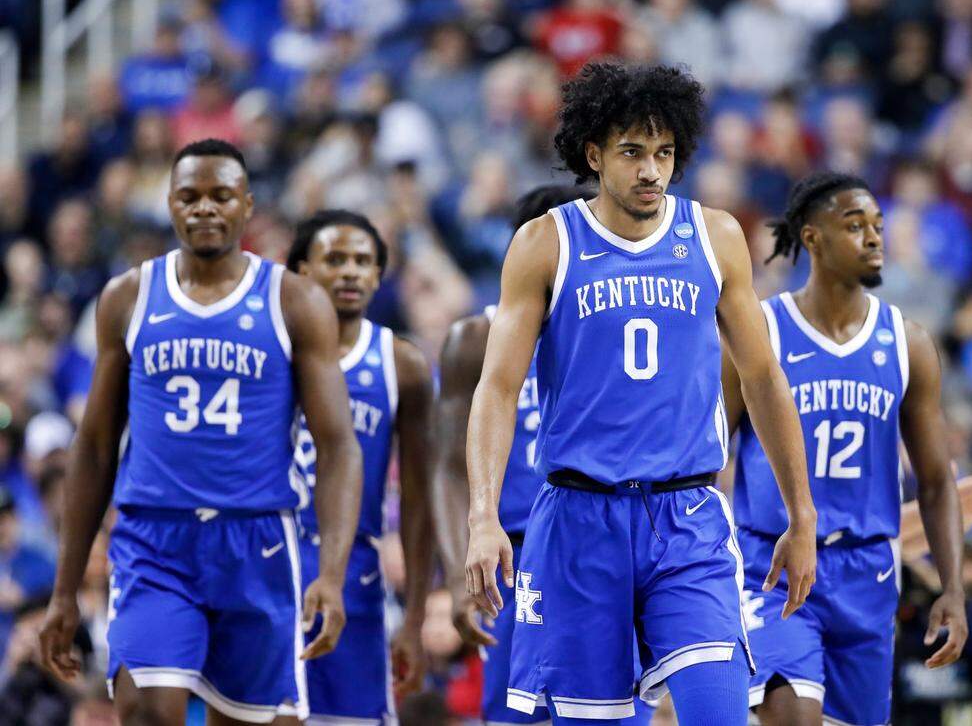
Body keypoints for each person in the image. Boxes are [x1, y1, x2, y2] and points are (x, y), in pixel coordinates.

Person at [465, 62, 817, 725]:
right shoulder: (545, 243)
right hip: (578, 518)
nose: (651, 169)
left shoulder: (715, 236)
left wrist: (802, 515)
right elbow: (498, 388)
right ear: (594, 154)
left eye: (664, 152)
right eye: (632, 152)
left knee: (719, 712)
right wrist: (484, 515)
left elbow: (764, 379)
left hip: (685, 517)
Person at [38, 139, 364, 724]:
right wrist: (65, 588)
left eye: (221, 196)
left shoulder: (294, 300)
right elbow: (92, 447)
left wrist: (332, 574)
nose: (205, 208)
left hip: (256, 539)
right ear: (169, 204)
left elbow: (339, 447)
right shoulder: (127, 297)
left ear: (247, 205)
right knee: (147, 710)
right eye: (189, 196)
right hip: (154, 540)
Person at [721, 171, 967, 726]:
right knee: (793, 717)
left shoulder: (908, 342)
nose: (875, 237)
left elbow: (934, 480)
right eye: (855, 226)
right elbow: (709, 456)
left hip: (868, 571)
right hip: (773, 563)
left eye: (878, 226)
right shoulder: (760, 331)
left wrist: (952, 586)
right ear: (811, 239)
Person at [436, 184, 654, 725]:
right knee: (514, 715)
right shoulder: (476, 337)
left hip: (601, 544)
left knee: (615, 712)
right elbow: (446, 468)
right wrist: (454, 573)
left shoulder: (621, 332)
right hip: (511, 557)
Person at [286, 209, 434, 725]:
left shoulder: (403, 364)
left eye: (363, 262)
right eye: (336, 259)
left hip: (354, 569)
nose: (350, 272)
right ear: (302, 271)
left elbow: (418, 500)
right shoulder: (269, 348)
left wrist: (414, 620)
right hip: (268, 554)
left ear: (378, 276)